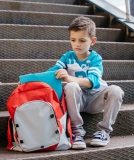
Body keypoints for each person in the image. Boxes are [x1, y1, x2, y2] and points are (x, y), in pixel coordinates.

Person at [47, 16, 124, 149]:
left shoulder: (95, 58)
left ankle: (103, 131)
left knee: (116, 90)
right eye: (73, 40)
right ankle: (76, 132)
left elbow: (91, 82)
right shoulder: (67, 57)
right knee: (70, 87)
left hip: (96, 99)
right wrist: (29, 82)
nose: (77, 44)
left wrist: (69, 78)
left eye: (82, 40)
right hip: (78, 100)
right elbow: (50, 73)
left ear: (93, 41)